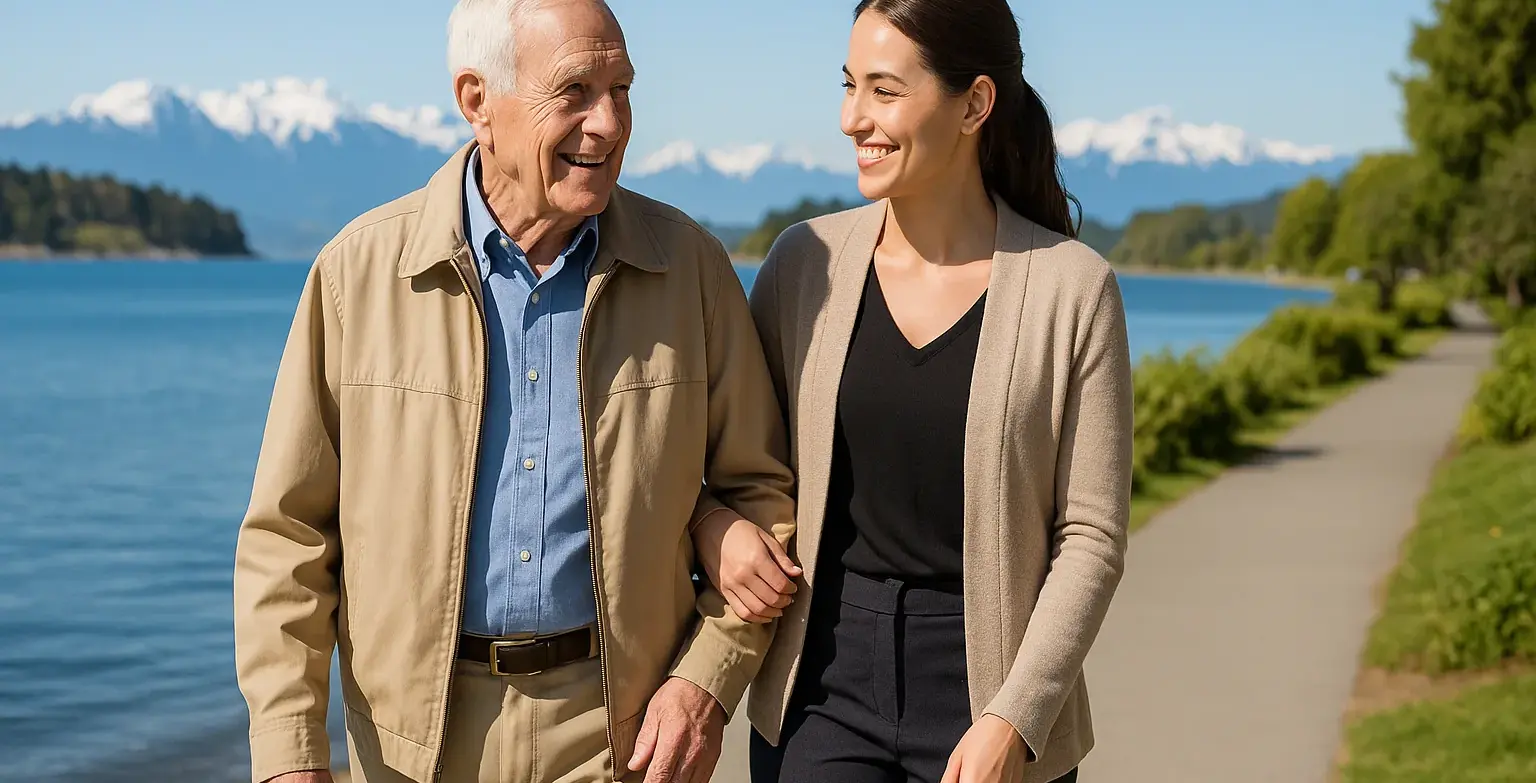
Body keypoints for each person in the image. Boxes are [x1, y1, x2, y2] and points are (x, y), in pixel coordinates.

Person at [232, 1, 796, 781]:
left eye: (622, 90)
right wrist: (290, 751)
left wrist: (706, 678)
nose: (609, 123)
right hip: (408, 749)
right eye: (574, 92)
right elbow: (288, 536)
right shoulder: (355, 275)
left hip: (620, 737)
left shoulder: (691, 268)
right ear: (477, 101)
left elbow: (762, 493)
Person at [689, 1, 1133, 781]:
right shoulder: (804, 266)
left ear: (975, 104)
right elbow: (723, 460)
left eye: (884, 90)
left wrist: (1015, 716)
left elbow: (1091, 534)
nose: (852, 118)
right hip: (820, 691)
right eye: (849, 85)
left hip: (994, 696)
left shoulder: (1074, 288)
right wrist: (711, 523)